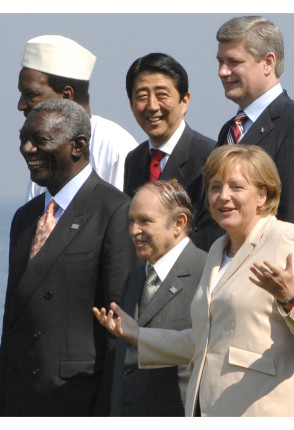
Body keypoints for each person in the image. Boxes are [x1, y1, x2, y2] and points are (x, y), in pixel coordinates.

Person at [94, 144, 294, 416]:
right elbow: (204, 342)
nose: (223, 197)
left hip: (268, 409)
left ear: (262, 194)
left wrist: (290, 298)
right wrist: (137, 335)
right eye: (215, 187)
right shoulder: (217, 250)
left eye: (236, 187)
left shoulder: (285, 238)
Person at [0, 99, 138, 416]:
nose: (27, 149)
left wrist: (108, 410)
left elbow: (119, 327)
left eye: (40, 140)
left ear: (78, 146)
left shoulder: (114, 210)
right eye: (24, 139)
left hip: (78, 398)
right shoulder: (25, 217)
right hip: (22, 398)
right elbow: (13, 320)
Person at [215, 16, 294, 268]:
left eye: (233, 62)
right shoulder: (230, 130)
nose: (223, 72)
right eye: (221, 62)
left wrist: (286, 295)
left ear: (268, 62)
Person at [106, 181, 207, 416]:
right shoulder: (135, 278)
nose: (134, 231)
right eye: (131, 221)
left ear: (179, 223)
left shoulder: (206, 273)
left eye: (145, 221)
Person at [18, 34, 138, 199]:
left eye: (31, 94)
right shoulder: (42, 154)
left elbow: (126, 216)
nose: (21, 105)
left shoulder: (115, 147)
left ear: (66, 96)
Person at [123, 53, 221, 252]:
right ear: (132, 105)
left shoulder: (210, 156)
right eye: (142, 97)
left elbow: (210, 235)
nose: (152, 106)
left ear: (185, 101)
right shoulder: (134, 159)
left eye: (162, 95)